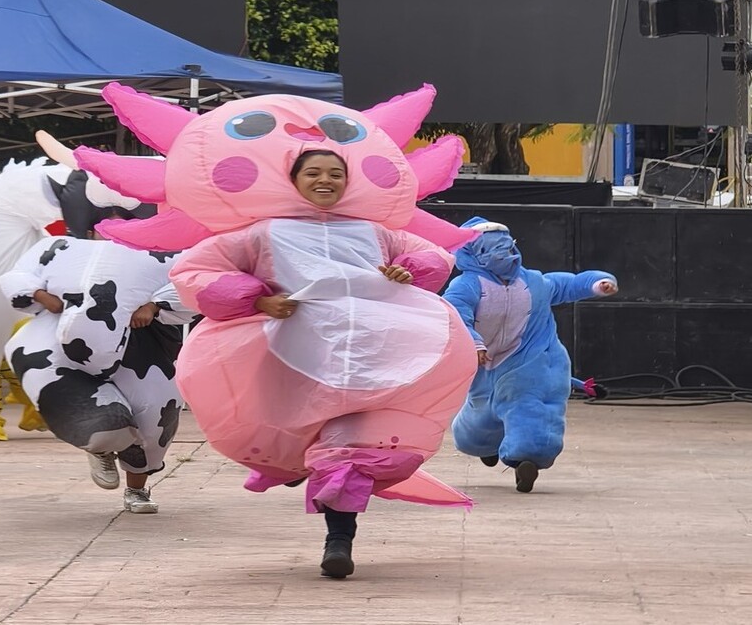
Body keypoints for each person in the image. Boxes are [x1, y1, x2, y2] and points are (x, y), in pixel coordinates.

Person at [170, 149, 477, 578]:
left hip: (373, 365)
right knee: (302, 438)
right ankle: (298, 466)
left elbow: (433, 258)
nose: (324, 180)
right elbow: (196, 269)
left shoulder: (376, 232)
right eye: (312, 172)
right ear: (291, 179)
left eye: (335, 173)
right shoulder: (262, 233)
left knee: (349, 452)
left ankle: (339, 540)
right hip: (293, 365)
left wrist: (406, 271)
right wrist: (257, 299)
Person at [0, 223, 195, 514]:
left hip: (146, 342)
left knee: (154, 416)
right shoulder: (60, 250)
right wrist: (41, 295)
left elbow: (194, 283)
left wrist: (154, 306)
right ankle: (101, 445)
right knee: (93, 411)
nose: (113, 237)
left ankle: (137, 489)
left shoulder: (168, 254)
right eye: (106, 228)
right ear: (91, 231)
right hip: (68, 336)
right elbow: (17, 275)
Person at [443, 217, 618, 492]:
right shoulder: (466, 286)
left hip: (532, 358)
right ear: (475, 254)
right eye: (495, 249)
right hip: (486, 363)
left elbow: (566, 284)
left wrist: (598, 283)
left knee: (531, 406)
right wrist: (475, 343)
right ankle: (484, 444)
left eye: (508, 246)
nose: (507, 254)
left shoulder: (533, 282)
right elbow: (455, 316)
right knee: (478, 420)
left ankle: (528, 457)